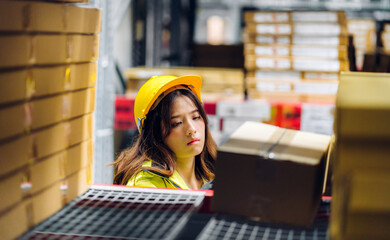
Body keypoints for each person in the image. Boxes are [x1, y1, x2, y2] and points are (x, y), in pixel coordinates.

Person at [112, 75, 217, 190]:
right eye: (177, 123)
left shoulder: (212, 174)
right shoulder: (146, 185)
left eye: (196, 117)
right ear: (155, 133)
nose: (192, 129)